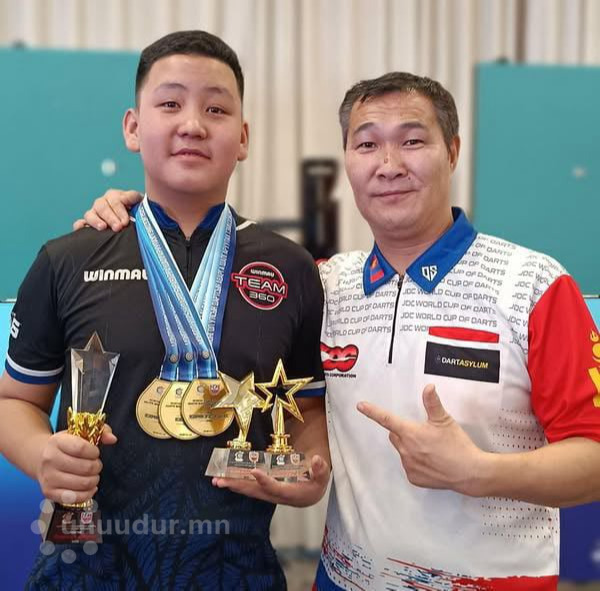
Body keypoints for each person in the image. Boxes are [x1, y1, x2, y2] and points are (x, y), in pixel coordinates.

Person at [84, 71, 600, 590]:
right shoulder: (322, 284)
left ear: (452, 151)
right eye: (367, 144)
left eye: (412, 141)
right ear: (347, 161)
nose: (388, 165)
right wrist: (136, 218)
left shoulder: (531, 285)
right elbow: (205, 269)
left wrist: (479, 472)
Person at [0, 30, 330, 590]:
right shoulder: (68, 259)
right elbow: (15, 401)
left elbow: (307, 411)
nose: (193, 124)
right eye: (171, 103)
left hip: (234, 570)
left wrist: (309, 472)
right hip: (86, 566)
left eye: (216, 109)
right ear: (133, 128)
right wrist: (40, 454)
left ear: (243, 137)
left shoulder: (290, 268)